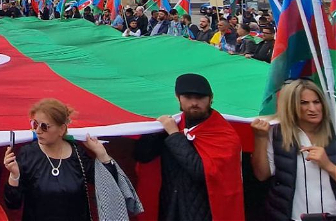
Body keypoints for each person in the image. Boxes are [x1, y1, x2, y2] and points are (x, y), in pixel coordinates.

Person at [134, 73, 244, 221]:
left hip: (204, 212)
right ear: (177, 97)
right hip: (169, 208)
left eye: (200, 98)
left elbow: (201, 172)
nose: (194, 103)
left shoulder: (223, 134)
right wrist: (155, 133)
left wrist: (174, 135)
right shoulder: (173, 125)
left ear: (211, 98)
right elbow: (142, 156)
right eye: (188, 97)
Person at [3, 98, 122, 221]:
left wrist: (102, 155)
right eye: (34, 124)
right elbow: (13, 204)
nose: (37, 131)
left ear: (61, 130)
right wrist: (14, 175)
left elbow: (109, 186)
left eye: (44, 126)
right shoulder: (27, 154)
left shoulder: (78, 154)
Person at [251, 79, 336, 220]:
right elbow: (261, 175)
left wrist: (328, 165)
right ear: (291, 106)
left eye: (316, 102)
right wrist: (260, 138)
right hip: (291, 216)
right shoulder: (276, 133)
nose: (313, 109)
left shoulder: (334, 132)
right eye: (304, 103)